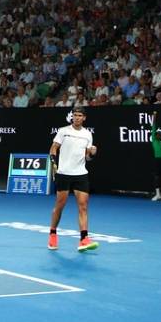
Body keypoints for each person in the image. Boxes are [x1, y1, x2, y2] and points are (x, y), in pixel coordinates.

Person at [48, 106, 99, 252]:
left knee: (83, 206)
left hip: (81, 174)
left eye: (79, 115)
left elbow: (87, 157)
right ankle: (52, 234)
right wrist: (53, 162)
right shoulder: (63, 131)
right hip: (64, 173)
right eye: (75, 115)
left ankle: (84, 239)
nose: (76, 118)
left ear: (84, 118)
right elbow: (54, 148)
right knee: (60, 206)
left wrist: (92, 154)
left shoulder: (88, 135)